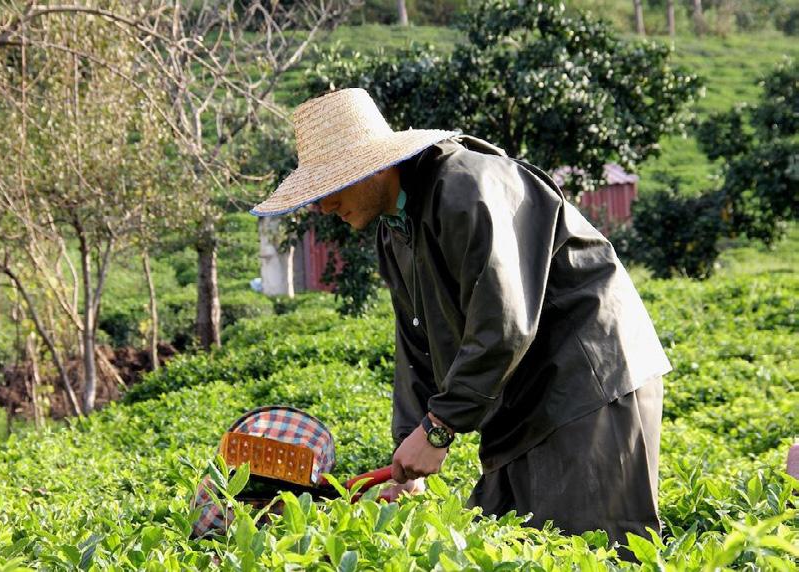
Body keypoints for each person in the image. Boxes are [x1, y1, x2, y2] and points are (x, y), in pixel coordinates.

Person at [251, 88, 671, 548]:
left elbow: (505, 321)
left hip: (587, 380)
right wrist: (409, 449)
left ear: (375, 166)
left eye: (331, 188)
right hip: (522, 396)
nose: (322, 207)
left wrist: (438, 429)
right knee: (506, 543)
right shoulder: (395, 232)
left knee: (593, 547)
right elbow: (417, 347)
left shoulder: (465, 187)